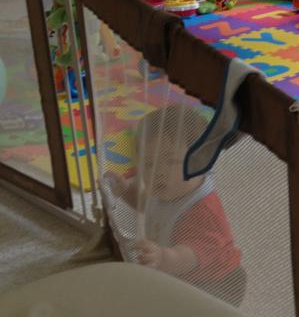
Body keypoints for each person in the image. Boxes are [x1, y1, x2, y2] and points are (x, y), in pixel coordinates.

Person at [104, 105, 247, 306]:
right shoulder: (167, 189)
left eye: (171, 161)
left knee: (194, 316)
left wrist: (164, 258)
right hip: (178, 271)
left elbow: (192, 253)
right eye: (149, 163)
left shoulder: (201, 209)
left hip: (216, 281)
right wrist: (126, 191)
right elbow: (148, 206)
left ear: (201, 162)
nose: (158, 172)